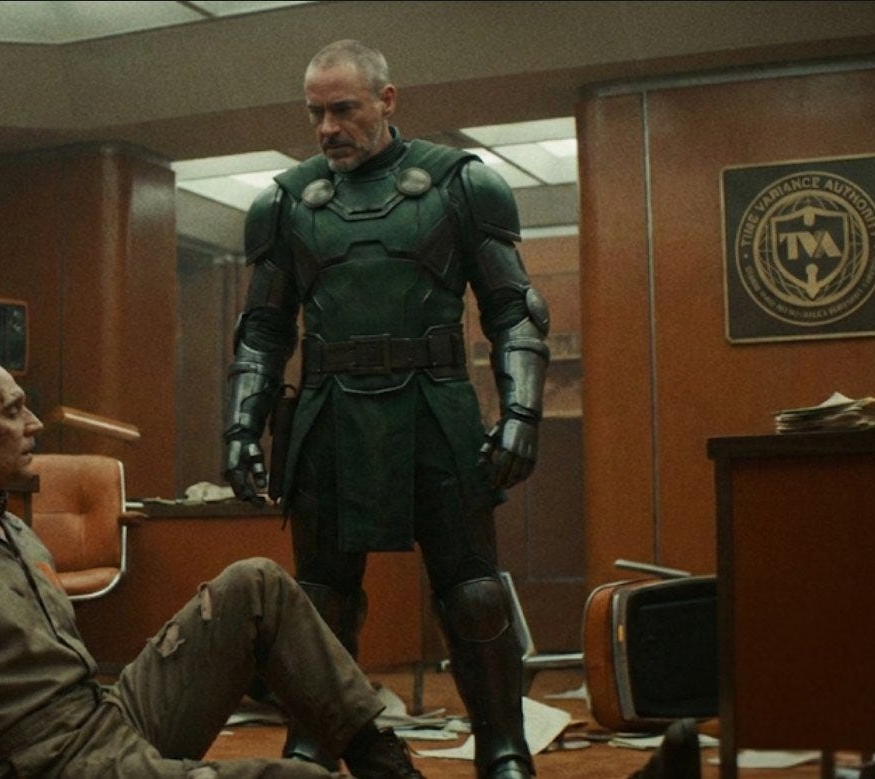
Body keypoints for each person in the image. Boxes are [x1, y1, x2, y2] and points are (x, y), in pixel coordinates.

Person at [0, 341, 424, 779]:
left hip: (105, 716)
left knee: (257, 584)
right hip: (51, 761)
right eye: (14, 411)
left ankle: (390, 768)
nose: (35, 424)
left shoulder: (12, 529)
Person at [222, 39, 550, 779]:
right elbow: (263, 331)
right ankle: (312, 744)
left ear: (387, 99)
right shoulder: (284, 201)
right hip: (329, 414)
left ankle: (503, 746)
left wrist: (523, 413)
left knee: (473, 593)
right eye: (316, 113)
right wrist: (241, 425)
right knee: (320, 599)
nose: (327, 128)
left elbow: (514, 310)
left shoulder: (462, 183)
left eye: (343, 109)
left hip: (437, 407)